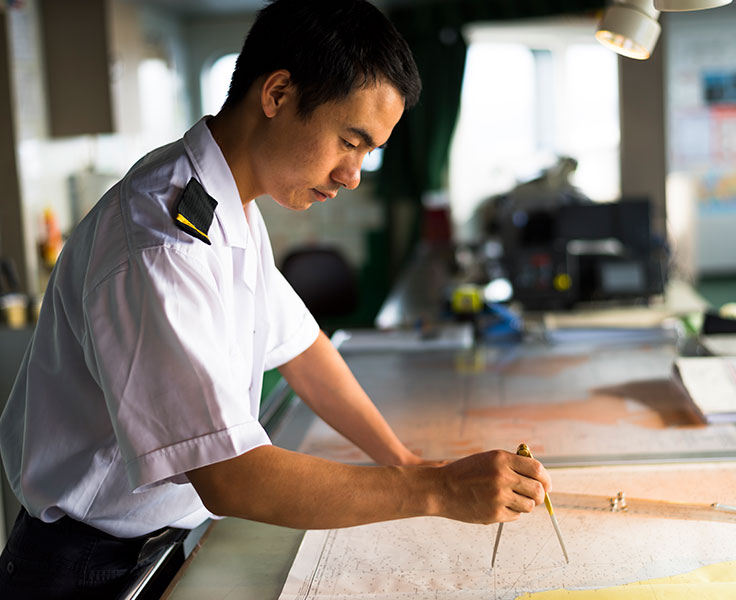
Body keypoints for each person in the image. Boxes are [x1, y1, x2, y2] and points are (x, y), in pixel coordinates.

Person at [0, 0, 551, 597]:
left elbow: (303, 347)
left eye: (368, 152)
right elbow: (232, 479)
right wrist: (436, 492)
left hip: (158, 543)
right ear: (279, 93)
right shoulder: (162, 242)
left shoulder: (227, 202)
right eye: (350, 140)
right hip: (84, 570)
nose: (353, 175)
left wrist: (405, 460)